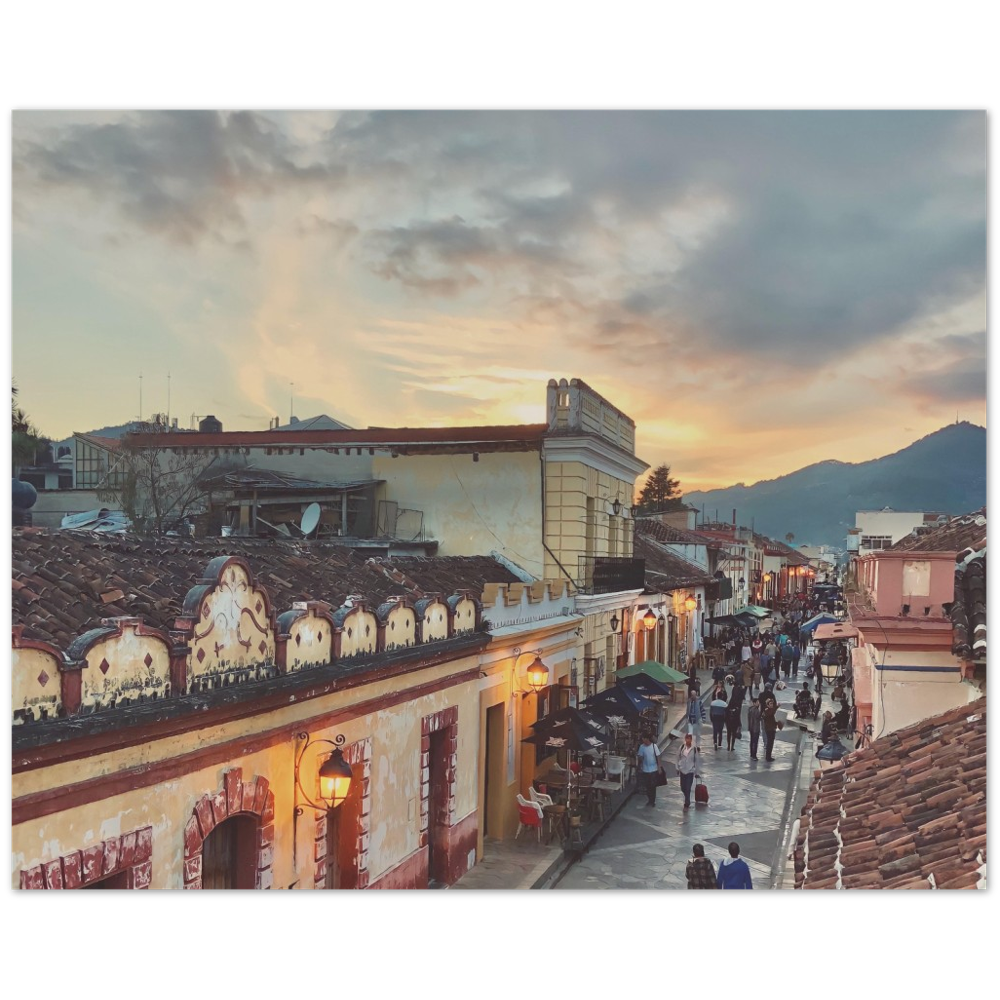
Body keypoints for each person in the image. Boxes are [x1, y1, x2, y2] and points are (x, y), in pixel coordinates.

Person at [636, 735, 662, 807]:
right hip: (645, 769)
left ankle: (652, 801)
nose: (643, 740)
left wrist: (659, 767)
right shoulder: (642, 747)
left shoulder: (654, 746)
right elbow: (640, 757)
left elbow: (658, 756)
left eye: (643, 738)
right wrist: (640, 758)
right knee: (647, 785)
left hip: (654, 769)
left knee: (653, 785)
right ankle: (649, 799)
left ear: (647, 738)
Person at [676, 733, 698, 808]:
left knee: (688, 787)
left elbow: (696, 760)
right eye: (687, 738)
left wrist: (696, 771)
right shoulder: (682, 747)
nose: (688, 740)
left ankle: (687, 801)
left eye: (689, 738)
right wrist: (677, 767)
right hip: (682, 770)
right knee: (683, 787)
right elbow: (677, 757)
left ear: (691, 739)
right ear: (685, 739)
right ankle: (686, 797)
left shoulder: (694, 749)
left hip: (690, 771)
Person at [762, 694, 780, 762]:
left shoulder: (769, 711)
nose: (772, 705)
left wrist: (776, 723)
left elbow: (771, 718)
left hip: (771, 728)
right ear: (767, 705)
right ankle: (768, 757)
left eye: (772, 703)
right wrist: (776, 707)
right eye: (770, 704)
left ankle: (769, 756)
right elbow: (771, 713)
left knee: (771, 743)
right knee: (769, 743)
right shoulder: (767, 711)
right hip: (769, 729)